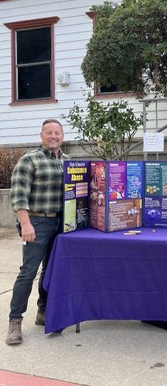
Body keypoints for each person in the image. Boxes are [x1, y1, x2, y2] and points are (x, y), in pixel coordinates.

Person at [6, 119, 69, 346]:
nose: (53, 136)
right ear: (41, 135)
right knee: (28, 272)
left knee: (49, 270)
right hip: (36, 222)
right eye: (49, 133)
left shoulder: (68, 162)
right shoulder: (29, 160)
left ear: (63, 136)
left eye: (57, 133)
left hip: (61, 224)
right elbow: (18, 195)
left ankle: (43, 312)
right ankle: (15, 321)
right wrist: (26, 224)